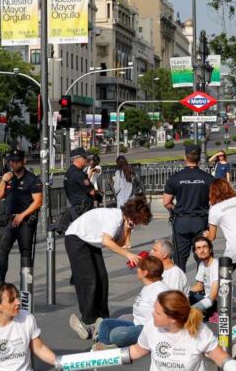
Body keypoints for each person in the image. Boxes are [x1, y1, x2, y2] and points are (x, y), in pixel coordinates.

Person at [64, 197, 153, 339]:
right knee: (89, 280)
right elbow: (107, 242)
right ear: (133, 215)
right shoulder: (114, 217)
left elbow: (119, 243)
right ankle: (88, 320)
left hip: (90, 242)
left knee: (102, 278)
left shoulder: (123, 222)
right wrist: (129, 255)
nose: (136, 224)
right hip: (76, 238)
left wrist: (127, 230)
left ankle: (102, 318)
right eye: (137, 220)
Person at [126, 291, 236, 371]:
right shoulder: (151, 327)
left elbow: (221, 358)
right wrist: (106, 358)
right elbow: (137, 350)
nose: (152, 314)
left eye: (157, 313)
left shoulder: (200, 332)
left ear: (172, 318)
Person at [0, 282, 57, 371]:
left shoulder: (27, 318)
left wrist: (61, 362)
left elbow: (39, 348)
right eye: (12, 300)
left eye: (17, 297)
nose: (18, 302)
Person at [92, 255, 170, 350]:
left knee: (116, 334)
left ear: (145, 272)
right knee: (105, 323)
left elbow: (168, 314)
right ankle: (103, 344)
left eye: (139, 268)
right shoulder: (147, 287)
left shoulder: (160, 290)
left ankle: (105, 339)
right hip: (136, 323)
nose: (137, 270)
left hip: (149, 329)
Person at [0, 149, 43, 284]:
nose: (14, 164)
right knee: (1, 251)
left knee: (25, 252)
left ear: (23, 161)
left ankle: (26, 284)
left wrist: (22, 215)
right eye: (11, 161)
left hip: (25, 221)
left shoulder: (32, 179)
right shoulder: (8, 178)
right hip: (8, 220)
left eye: (16, 161)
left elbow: (38, 201)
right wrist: (3, 181)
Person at [163, 144, 215, 270]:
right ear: (198, 158)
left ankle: (180, 287)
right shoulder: (208, 178)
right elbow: (214, 202)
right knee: (202, 257)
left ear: (185, 157)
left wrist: (176, 209)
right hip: (201, 221)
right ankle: (202, 286)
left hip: (181, 221)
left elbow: (166, 202)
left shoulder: (175, 178)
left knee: (180, 258)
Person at [59, 148, 97, 229]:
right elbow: (92, 192)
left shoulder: (69, 171)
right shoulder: (79, 174)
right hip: (82, 211)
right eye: (84, 157)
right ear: (76, 159)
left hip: (76, 208)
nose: (86, 159)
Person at [186, 236, 218, 320]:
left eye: (204, 247)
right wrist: (182, 293)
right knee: (186, 294)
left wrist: (191, 310)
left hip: (217, 303)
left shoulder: (216, 265)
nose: (202, 250)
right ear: (196, 252)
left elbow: (214, 295)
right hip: (208, 299)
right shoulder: (202, 264)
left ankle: (212, 313)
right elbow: (199, 286)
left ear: (210, 249)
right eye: (198, 248)